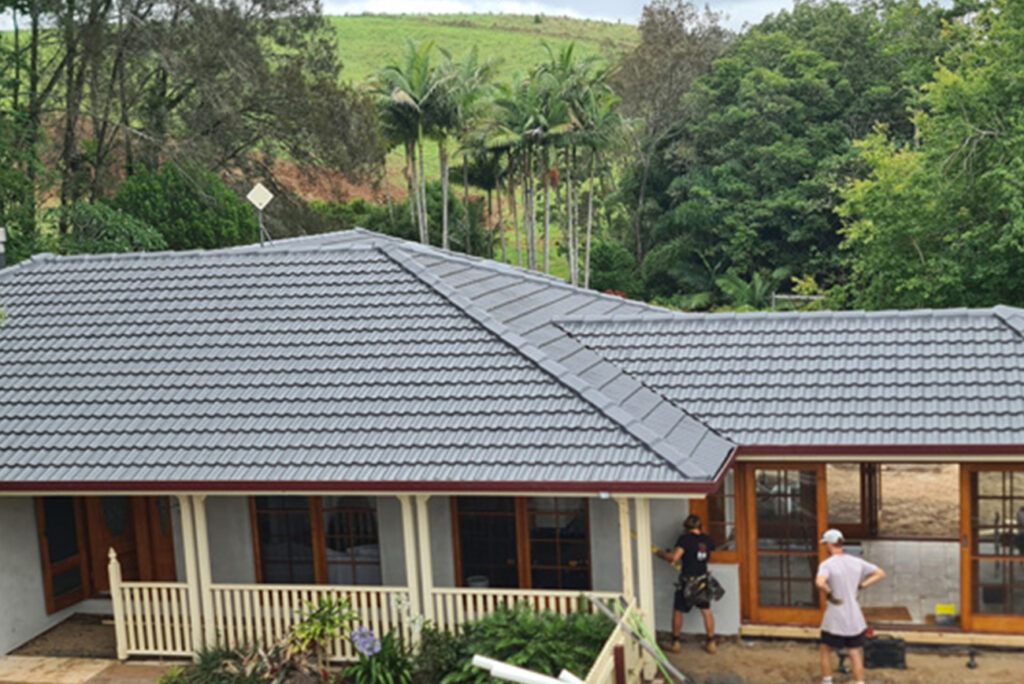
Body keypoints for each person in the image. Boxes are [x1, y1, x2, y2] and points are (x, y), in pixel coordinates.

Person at [815, 529, 885, 684]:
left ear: (829, 544)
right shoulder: (856, 562)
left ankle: (827, 680)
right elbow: (880, 573)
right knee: (854, 651)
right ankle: (859, 681)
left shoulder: (827, 564)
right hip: (853, 613)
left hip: (835, 614)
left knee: (825, 648)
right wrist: (862, 585)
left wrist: (829, 591)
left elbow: (820, 582)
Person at [656, 514, 717, 655]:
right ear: (700, 526)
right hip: (702, 580)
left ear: (686, 527)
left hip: (687, 581)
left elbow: (674, 558)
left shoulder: (685, 540)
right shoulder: (707, 540)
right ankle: (711, 643)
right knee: (706, 610)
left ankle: (675, 643)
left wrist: (662, 554)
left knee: (678, 610)